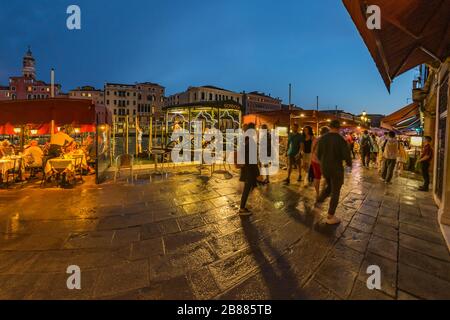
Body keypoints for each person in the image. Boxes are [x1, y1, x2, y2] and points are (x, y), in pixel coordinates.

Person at [316, 120, 352, 225]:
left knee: (329, 187)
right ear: (339, 127)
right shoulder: (341, 139)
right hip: (336, 168)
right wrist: (349, 163)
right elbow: (346, 155)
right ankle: (330, 216)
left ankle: (319, 201)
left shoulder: (323, 138)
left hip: (325, 167)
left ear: (330, 127)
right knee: (335, 191)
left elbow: (318, 154)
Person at [239, 123, 260, 216]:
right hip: (249, 170)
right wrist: (258, 172)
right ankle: (242, 208)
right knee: (246, 189)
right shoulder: (250, 142)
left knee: (247, 188)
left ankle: (243, 207)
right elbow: (252, 160)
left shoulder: (246, 140)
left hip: (246, 169)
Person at [311, 126, 329, 201]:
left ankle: (317, 194)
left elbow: (312, 150)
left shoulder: (316, 139)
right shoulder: (328, 140)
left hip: (315, 160)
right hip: (323, 162)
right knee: (326, 177)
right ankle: (322, 192)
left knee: (317, 177)